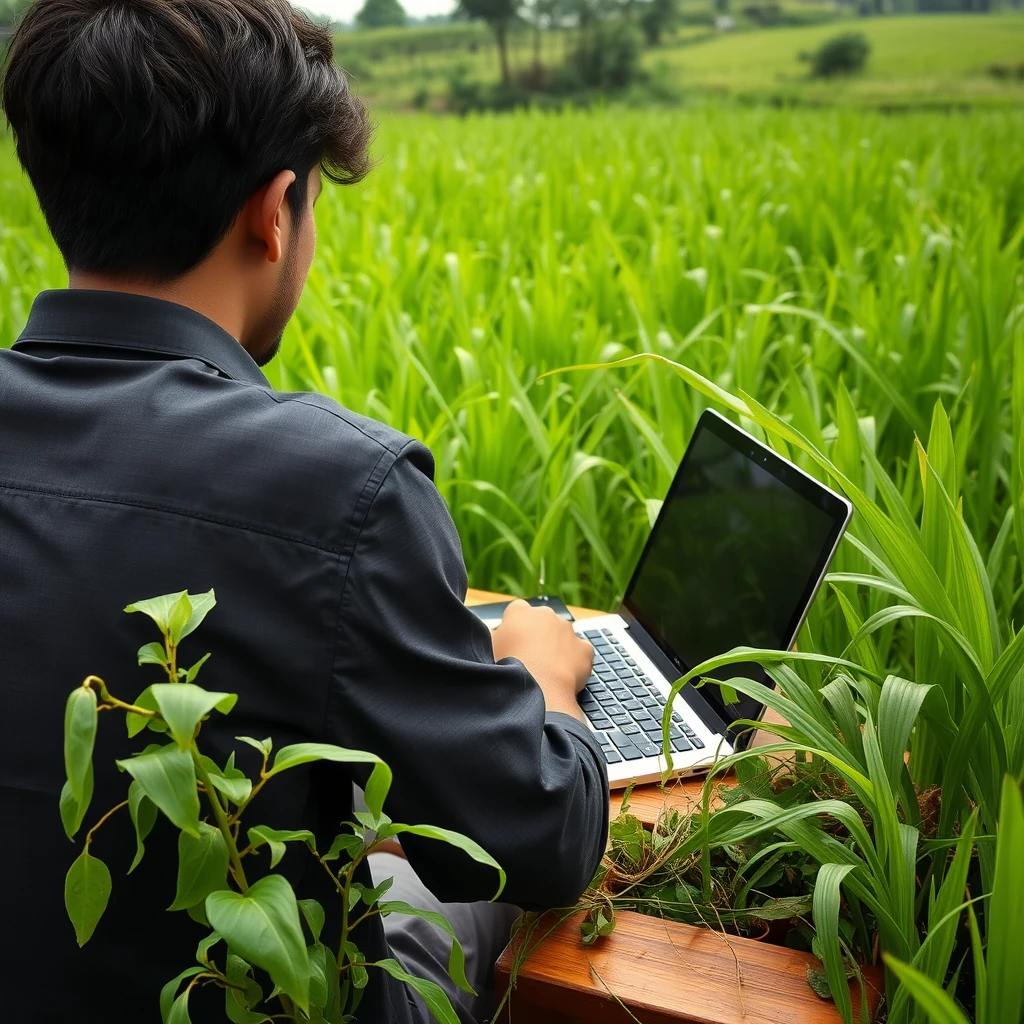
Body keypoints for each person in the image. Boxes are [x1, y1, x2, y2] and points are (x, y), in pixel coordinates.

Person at [0, 2, 608, 1022]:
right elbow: (533, 842)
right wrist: (542, 680)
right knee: (431, 886)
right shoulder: (343, 492)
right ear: (274, 210)